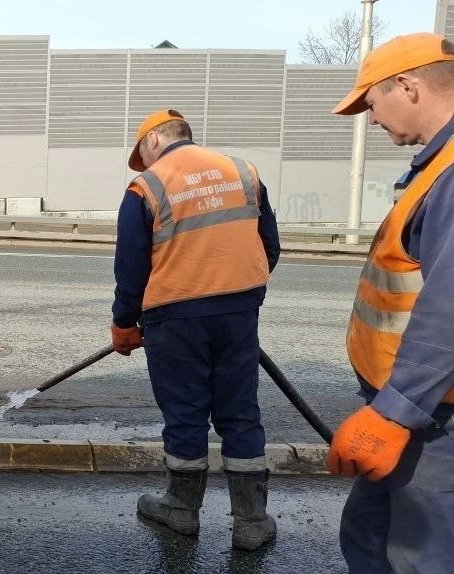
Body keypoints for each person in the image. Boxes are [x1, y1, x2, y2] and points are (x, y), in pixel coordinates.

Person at [111, 109, 281, 550]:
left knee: (186, 412)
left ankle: (181, 509)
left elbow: (131, 267)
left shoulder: (146, 186)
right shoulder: (242, 172)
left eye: (142, 154)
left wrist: (124, 324)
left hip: (174, 317)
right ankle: (251, 522)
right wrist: (240, 295)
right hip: (238, 312)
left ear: (152, 142)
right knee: (240, 413)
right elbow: (269, 244)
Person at [328, 32, 454, 573]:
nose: (371, 119)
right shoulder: (437, 167)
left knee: (419, 556)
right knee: (370, 535)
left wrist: (396, 412)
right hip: (418, 411)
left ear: (408, 85)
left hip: (431, 418)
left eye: (372, 103)